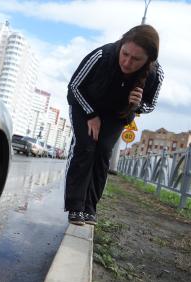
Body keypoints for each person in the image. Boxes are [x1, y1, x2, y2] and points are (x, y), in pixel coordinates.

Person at [65, 24, 164, 225]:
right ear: (121, 45)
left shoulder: (156, 74)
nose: (127, 62)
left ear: (149, 60)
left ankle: (89, 208)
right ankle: (75, 206)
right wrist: (91, 114)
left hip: (117, 114)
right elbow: (74, 87)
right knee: (86, 147)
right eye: (125, 53)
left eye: (136, 59)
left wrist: (137, 105)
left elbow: (150, 105)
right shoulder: (102, 55)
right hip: (85, 104)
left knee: (102, 152)